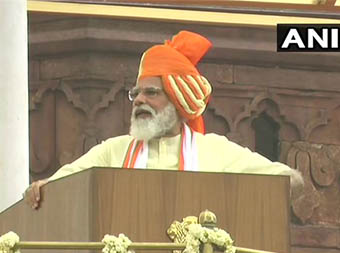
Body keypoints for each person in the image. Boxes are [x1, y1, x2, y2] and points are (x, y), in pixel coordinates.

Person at [25, 30, 303, 209]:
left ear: (178, 99)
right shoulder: (114, 150)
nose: (140, 100)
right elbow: (62, 184)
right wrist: (43, 188)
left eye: (151, 93)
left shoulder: (215, 151)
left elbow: (287, 182)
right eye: (136, 93)